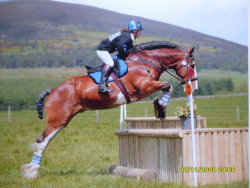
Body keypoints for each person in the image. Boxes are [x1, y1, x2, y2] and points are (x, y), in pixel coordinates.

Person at [96, 20, 144, 93]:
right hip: (102, 50)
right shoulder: (128, 36)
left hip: (105, 50)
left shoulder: (128, 36)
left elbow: (129, 47)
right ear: (134, 31)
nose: (140, 33)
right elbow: (120, 47)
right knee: (110, 63)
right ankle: (102, 86)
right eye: (139, 31)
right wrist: (126, 54)